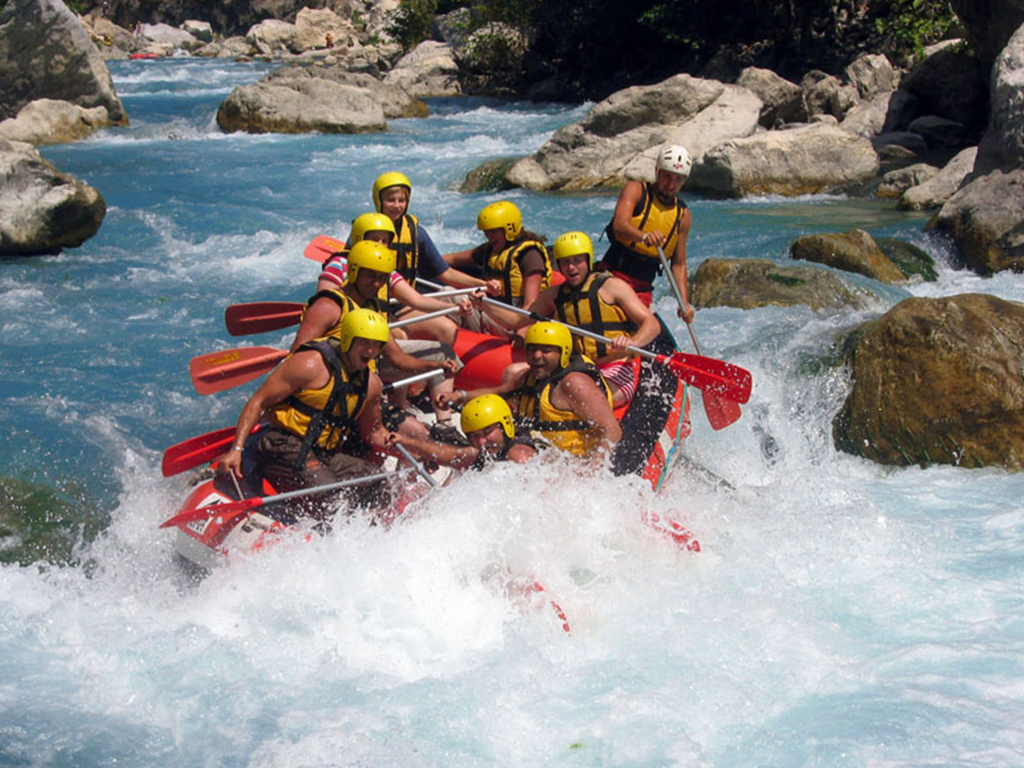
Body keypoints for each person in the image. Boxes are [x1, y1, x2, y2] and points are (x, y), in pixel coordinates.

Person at [218, 309, 477, 516]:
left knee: (377, 481)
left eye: (375, 345)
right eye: (363, 343)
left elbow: (375, 434)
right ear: (347, 340)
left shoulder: (370, 385)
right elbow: (258, 402)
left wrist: (415, 454)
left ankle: (369, 533)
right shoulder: (310, 365)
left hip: (323, 452)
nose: (369, 351)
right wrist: (237, 449)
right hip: (282, 442)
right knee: (330, 494)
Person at [294, 239, 470, 445]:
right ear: (353, 271)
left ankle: (404, 478)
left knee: (422, 438)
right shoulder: (329, 306)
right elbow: (298, 355)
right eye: (370, 275)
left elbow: (399, 359)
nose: (376, 283)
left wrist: (436, 366)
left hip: (363, 397)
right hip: (328, 395)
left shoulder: (372, 312)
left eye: (382, 278)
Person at [480, 231, 662, 408]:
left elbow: (651, 325)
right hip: (574, 366)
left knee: (584, 397)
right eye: (565, 262)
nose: (571, 267)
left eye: (577, 261)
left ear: (587, 260)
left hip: (613, 366)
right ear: (558, 265)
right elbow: (516, 321)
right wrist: (483, 304)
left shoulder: (612, 287)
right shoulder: (553, 295)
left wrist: (632, 342)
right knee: (512, 373)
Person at [447, 322, 621, 459]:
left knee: (516, 455)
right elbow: (500, 391)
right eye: (531, 349)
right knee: (480, 454)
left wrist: (591, 470)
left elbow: (612, 430)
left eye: (546, 351)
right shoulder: (528, 377)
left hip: (574, 462)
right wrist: (460, 395)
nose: (536, 356)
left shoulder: (575, 384)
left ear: (564, 352)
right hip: (543, 454)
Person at [597, 144, 696, 323]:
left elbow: (678, 264)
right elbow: (620, 225)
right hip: (612, 275)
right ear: (657, 171)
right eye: (667, 176)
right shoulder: (636, 190)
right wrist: (644, 236)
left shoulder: (683, 215)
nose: (671, 184)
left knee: (656, 337)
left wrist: (684, 304)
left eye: (678, 179)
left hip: (642, 287)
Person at [368, 172, 494, 293]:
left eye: (401, 200)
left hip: (406, 298)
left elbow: (446, 273)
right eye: (390, 200)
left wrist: (482, 284)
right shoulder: (366, 230)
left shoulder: (416, 233)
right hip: (377, 301)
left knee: (459, 300)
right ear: (379, 201)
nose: (397, 206)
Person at [443, 200, 552, 309]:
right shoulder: (490, 249)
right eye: (486, 232)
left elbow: (530, 306)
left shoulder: (530, 255)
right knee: (447, 292)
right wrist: (428, 260)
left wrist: (515, 324)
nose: (489, 236)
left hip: (515, 318)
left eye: (493, 231)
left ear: (509, 228)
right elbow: (454, 259)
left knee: (452, 297)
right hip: (493, 311)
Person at [459, 394, 541, 467]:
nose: (481, 442)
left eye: (487, 432)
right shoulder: (489, 454)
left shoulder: (518, 455)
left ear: (504, 427)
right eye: (475, 435)